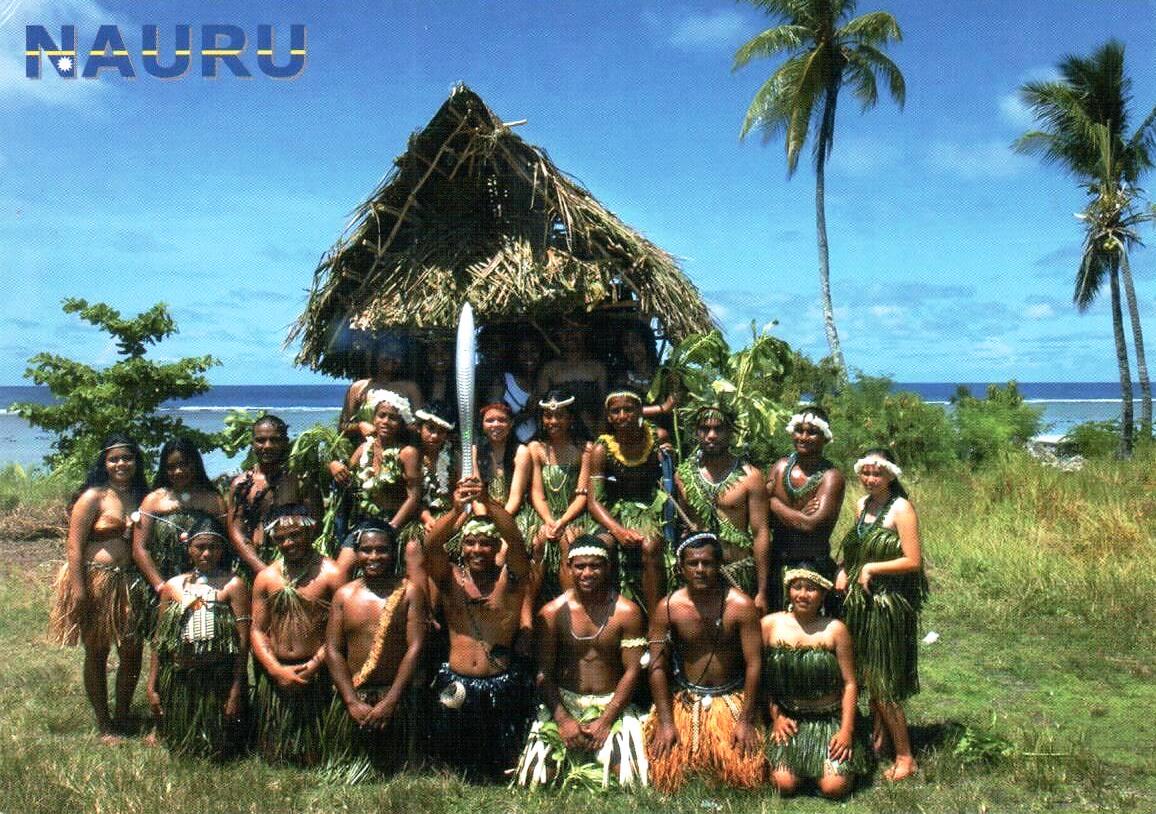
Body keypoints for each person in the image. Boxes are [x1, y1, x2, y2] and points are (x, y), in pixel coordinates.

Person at [514, 535, 649, 789]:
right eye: (580, 566)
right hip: (565, 703)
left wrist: (606, 721)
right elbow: (544, 672)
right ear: (568, 567)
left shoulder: (626, 612)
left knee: (629, 779)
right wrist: (563, 721)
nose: (587, 573)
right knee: (537, 780)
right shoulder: (552, 613)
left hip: (611, 704)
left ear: (608, 567)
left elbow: (632, 671)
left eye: (595, 566)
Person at [423, 477, 534, 780]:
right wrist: (456, 511)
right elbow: (431, 546)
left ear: (496, 547)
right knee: (454, 766)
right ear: (461, 547)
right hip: (456, 681)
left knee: (499, 768)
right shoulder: (450, 580)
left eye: (485, 543)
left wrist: (487, 502)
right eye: (470, 543)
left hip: (500, 685)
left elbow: (516, 540)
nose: (477, 550)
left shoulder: (509, 582)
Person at [644, 532, 764, 792]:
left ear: (719, 565)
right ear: (681, 568)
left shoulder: (740, 605)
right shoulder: (668, 607)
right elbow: (657, 667)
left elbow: (755, 664)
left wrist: (746, 720)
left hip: (731, 698)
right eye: (693, 563)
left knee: (746, 776)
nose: (700, 569)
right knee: (665, 775)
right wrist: (666, 722)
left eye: (707, 563)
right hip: (687, 698)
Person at [49, 434, 149, 742]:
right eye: (113, 459)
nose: (121, 464)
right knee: (97, 650)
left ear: (136, 461)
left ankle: (123, 715)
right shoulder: (94, 497)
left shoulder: (143, 496)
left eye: (127, 458)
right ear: (104, 463)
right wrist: (80, 590)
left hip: (129, 580)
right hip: (97, 579)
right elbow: (74, 546)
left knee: (132, 651)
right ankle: (104, 723)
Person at [836, 449, 927, 782]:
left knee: (883, 682)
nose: (871, 479)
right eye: (866, 473)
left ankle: (905, 757)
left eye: (878, 473)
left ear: (891, 475)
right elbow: (857, 548)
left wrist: (872, 568)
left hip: (887, 605)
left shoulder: (901, 509)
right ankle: (880, 738)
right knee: (865, 674)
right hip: (860, 604)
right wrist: (844, 568)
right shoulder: (862, 505)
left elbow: (913, 560)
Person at [325, 521, 428, 778]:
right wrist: (351, 701)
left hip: (396, 697)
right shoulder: (344, 595)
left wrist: (391, 701)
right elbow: (333, 650)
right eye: (366, 550)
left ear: (394, 552)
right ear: (356, 553)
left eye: (382, 550)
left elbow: (415, 647)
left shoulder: (409, 592)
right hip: (355, 696)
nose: (373, 557)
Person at [250, 505, 347, 765]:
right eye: (280, 538)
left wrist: (313, 666)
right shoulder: (266, 577)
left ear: (311, 530)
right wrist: (275, 669)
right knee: (276, 757)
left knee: (317, 754)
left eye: (295, 535)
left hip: (318, 671)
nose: (288, 543)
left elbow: (340, 632)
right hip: (278, 670)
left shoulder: (332, 574)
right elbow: (257, 630)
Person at [146, 519, 250, 759]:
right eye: (200, 547)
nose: (207, 553)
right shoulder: (173, 586)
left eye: (213, 547)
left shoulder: (233, 585)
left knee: (217, 751)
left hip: (217, 680)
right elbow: (159, 639)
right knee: (181, 750)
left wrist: (236, 689)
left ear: (222, 550)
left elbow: (243, 643)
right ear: (188, 549)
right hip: (181, 678)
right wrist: (152, 686)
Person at [762, 566, 869, 798]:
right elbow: (761, 677)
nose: (802, 595)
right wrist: (776, 716)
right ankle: (801, 768)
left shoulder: (835, 629)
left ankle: (827, 769)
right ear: (788, 590)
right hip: (790, 721)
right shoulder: (770, 625)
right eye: (797, 587)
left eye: (811, 589)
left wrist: (846, 731)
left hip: (829, 721)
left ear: (823, 594)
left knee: (834, 788)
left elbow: (850, 683)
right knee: (783, 784)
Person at [675, 404, 770, 608]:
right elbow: (683, 527)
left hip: (738, 573)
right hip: (698, 575)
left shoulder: (750, 477)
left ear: (731, 432)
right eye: (704, 429)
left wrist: (762, 591)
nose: (711, 435)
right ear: (696, 432)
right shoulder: (682, 476)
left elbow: (760, 533)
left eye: (719, 429)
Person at [587, 390, 669, 616]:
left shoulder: (657, 438)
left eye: (629, 409)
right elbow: (594, 502)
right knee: (601, 548)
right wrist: (618, 530)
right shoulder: (602, 449)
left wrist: (667, 460)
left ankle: (656, 621)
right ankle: (606, 618)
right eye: (616, 411)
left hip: (649, 507)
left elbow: (671, 479)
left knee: (650, 546)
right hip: (613, 512)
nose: (622, 415)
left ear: (640, 411)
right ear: (609, 416)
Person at [133, 438, 228, 633]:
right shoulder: (153, 500)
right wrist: (160, 586)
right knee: (164, 639)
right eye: (171, 467)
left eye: (184, 464)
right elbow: (139, 548)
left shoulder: (213, 500)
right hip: (162, 581)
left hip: (206, 585)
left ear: (195, 464)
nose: (178, 471)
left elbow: (227, 544)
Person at [766, 407, 845, 611]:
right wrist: (798, 515)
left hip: (813, 567)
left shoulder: (831, 477)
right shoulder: (780, 467)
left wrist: (773, 502)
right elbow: (761, 515)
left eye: (812, 432)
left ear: (825, 438)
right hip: (776, 564)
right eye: (799, 430)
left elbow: (810, 525)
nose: (803, 437)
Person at [227, 415, 318, 581]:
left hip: (295, 565)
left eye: (274, 440)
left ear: (285, 442)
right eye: (260, 440)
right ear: (252, 443)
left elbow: (314, 525)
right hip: (251, 564)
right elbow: (236, 531)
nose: (267, 446)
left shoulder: (299, 481)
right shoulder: (241, 484)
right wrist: (263, 570)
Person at [343, 391, 422, 574]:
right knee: (342, 568)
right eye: (382, 415)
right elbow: (347, 479)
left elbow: (414, 496)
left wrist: (391, 528)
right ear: (374, 418)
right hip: (364, 523)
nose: (386, 421)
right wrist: (334, 465)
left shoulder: (407, 453)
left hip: (394, 521)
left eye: (393, 418)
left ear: (401, 423)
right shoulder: (364, 449)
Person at [526, 389, 593, 602]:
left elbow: (582, 495)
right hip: (544, 514)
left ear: (571, 418)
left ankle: (572, 606)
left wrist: (562, 521)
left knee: (568, 541)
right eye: (548, 416)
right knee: (538, 542)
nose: (553, 421)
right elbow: (537, 493)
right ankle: (528, 609)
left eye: (559, 416)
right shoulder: (536, 448)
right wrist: (549, 521)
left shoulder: (585, 449)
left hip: (574, 514)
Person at [338, 333, 423, 441]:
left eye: (397, 354)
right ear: (376, 355)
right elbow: (342, 426)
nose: (391, 357)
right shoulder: (359, 388)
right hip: (364, 448)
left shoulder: (411, 389)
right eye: (386, 351)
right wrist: (359, 426)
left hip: (401, 449)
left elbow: (420, 428)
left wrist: (397, 426)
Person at [536, 322, 608, 434]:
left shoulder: (597, 368)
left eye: (575, 329)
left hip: (592, 431)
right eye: (564, 330)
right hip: (558, 433)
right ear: (558, 335)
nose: (570, 334)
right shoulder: (549, 369)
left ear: (584, 332)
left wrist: (599, 431)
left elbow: (605, 404)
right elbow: (541, 408)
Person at [488, 333, 543, 443]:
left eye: (533, 350)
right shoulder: (503, 381)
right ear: (515, 355)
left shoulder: (545, 378)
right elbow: (494, 422)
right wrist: (526, 413)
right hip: (511, 447)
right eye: (523, 352)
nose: (529, 356)